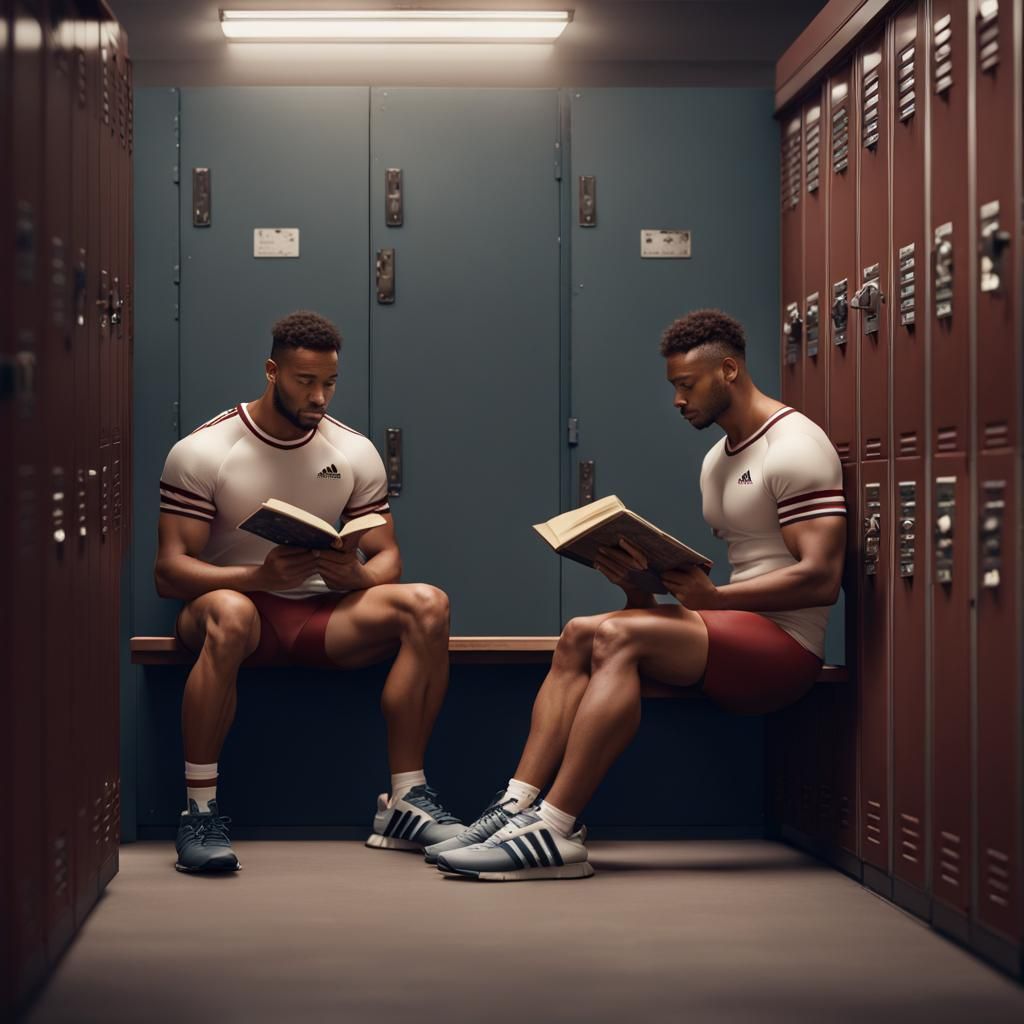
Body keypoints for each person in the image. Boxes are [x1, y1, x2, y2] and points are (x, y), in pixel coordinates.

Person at [428, 308, 846, 881]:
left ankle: (556, 829)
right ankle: (516, 806)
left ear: (728, 370)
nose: (678, 400)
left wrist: (714, 600)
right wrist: (639, 589)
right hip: (734, 632)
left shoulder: (795, 445)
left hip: (785, 648)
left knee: (619, 637)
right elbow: (696, 611)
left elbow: (822, 577)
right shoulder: (716, 461)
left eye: (686, 385)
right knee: (579, 633)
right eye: (674, 386)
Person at [154, 310, 463, 873]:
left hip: (323, 616)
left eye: (330, 383)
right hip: (236, 618)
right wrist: (257, 578)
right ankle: (199, 812)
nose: (320, 396)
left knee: (428, 603)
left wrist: (361, 577)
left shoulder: (351, 450)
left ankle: (406, 801)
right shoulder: (204, 450)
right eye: (305, 381)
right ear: (273, 372)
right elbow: (169, 571)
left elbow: (388, 552)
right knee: (230, 612)